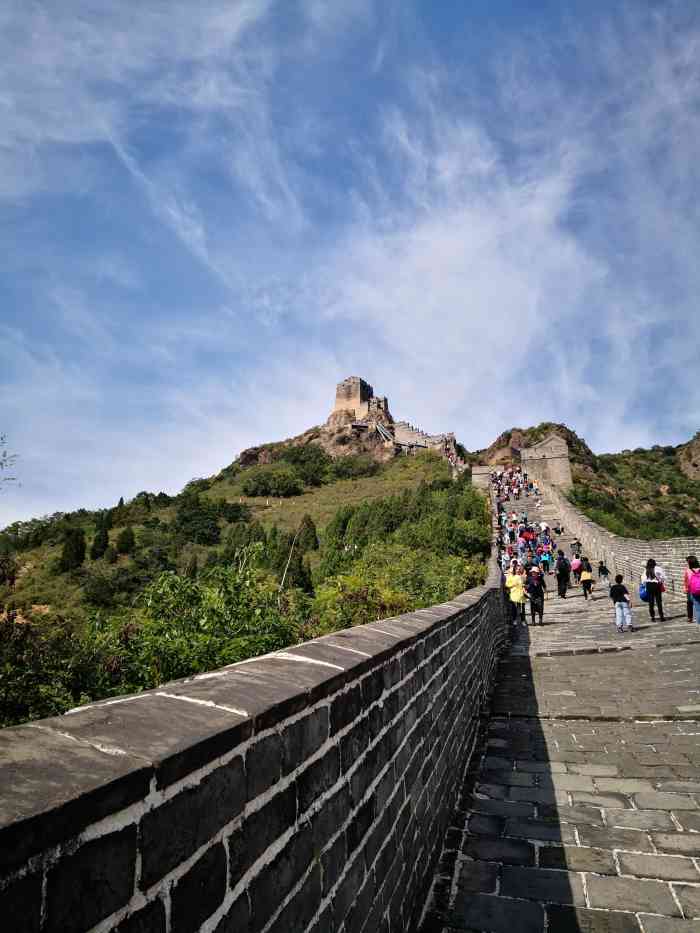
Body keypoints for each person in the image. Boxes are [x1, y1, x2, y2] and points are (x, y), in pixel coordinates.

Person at [684, 555, 698, 623]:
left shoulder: (688, 570)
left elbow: (686, 580)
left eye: (687, 562)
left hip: (691, 589)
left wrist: (686, 588)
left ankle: (690, 618)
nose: (687, 563)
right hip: (699, 588)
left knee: (689, 603)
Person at [687, 556, 700, 625]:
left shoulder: (688, 570)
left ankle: (699, 622)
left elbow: (688, 582)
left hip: (694, 591)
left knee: (697, 608)